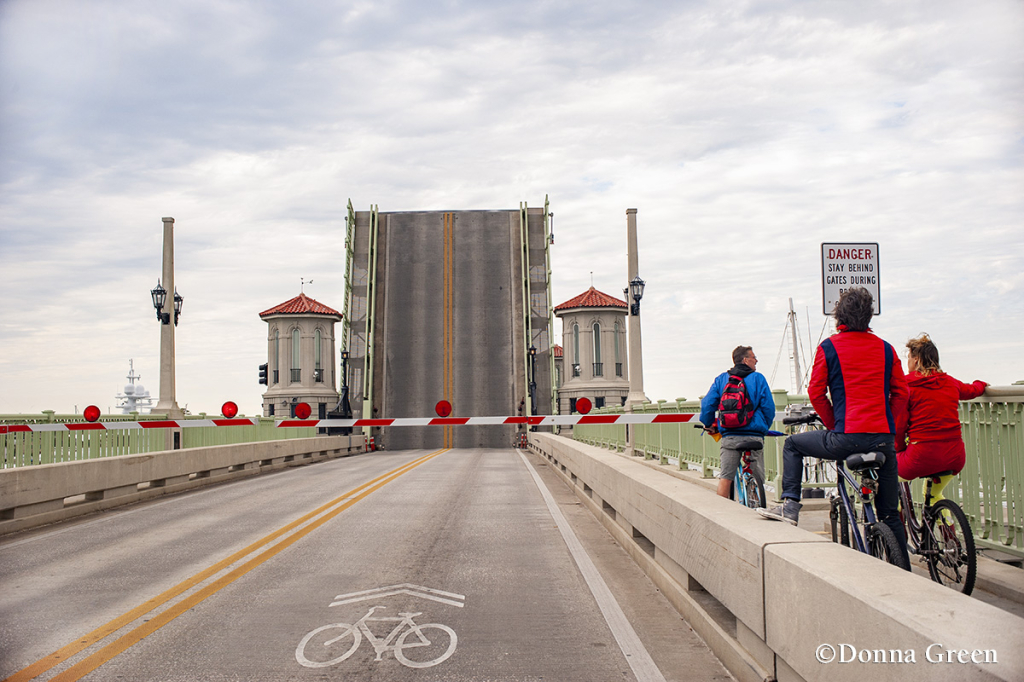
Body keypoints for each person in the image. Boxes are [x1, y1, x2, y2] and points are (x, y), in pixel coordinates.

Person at [758, 288, 910, 566]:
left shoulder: (829, 348)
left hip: (845, 438)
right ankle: (907, 574)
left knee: (792, 444)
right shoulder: (886, 348)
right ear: (868, 316)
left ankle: (791, 505)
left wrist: (834, 425)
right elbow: (902, 393)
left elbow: (816, 393)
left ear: (839, 316)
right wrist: (886, 423)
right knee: (890, 513)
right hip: (882, 441)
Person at [895, 333, 987, 501]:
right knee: (934, 495)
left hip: (920, 456)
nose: (907, 362)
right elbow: (972, 390)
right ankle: (947, 526)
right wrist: (981, 384)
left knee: (885, 475)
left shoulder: (906, 385)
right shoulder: (950, 382)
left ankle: (897, 524)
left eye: (908, 358)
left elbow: (899, 426)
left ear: (916, 360)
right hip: (955, 457)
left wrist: (899, 449)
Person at [699, 346, 777, 499]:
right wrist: (762, 428)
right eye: (754, 357)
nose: (756, 360)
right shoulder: (758, 378)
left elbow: (707, 405)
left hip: (730, 435)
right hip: (754, 436)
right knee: (757, 476)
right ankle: (756, 504)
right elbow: (769, 408)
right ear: (745, 360)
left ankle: (723, 514)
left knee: (726, 477)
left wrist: (708, 424)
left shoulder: (722, 379)